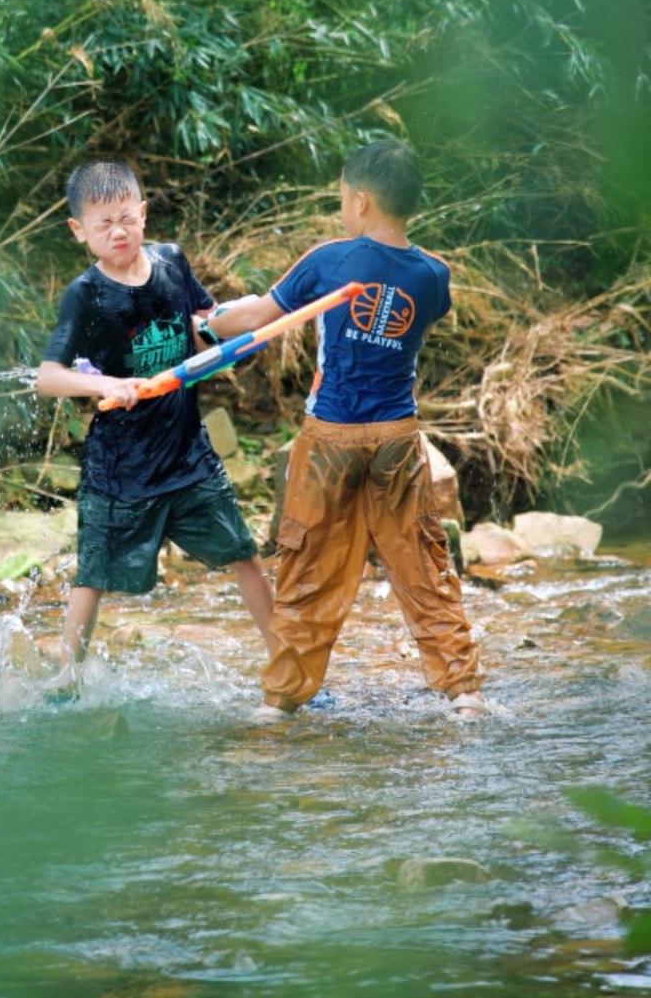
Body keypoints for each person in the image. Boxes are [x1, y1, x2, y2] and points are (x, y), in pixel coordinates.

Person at [199, 139, 488, 719]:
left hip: (330, 438)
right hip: (397, 440)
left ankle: (280, 702)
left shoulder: (329, 260)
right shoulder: (434, 275)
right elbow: (415, 316)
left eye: (341, 197)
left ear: (361, 201)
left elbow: (253, 319)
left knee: (308, 568)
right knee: (424, 566)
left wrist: (205, 322)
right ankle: (466, 694)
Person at [35, 159, 274, 695]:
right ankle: (67, 680)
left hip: (188, 455)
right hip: (119, 468)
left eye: (126, 218)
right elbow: (48, 377)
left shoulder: (171, 263)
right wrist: (106, 385)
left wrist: (245, 325)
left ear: (143, 213)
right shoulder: (85, 294)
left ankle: (288, 664)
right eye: (103, 224)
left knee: (244, 555)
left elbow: (203, 325)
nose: (118, 231)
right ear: (79, 230)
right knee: (92, 577)